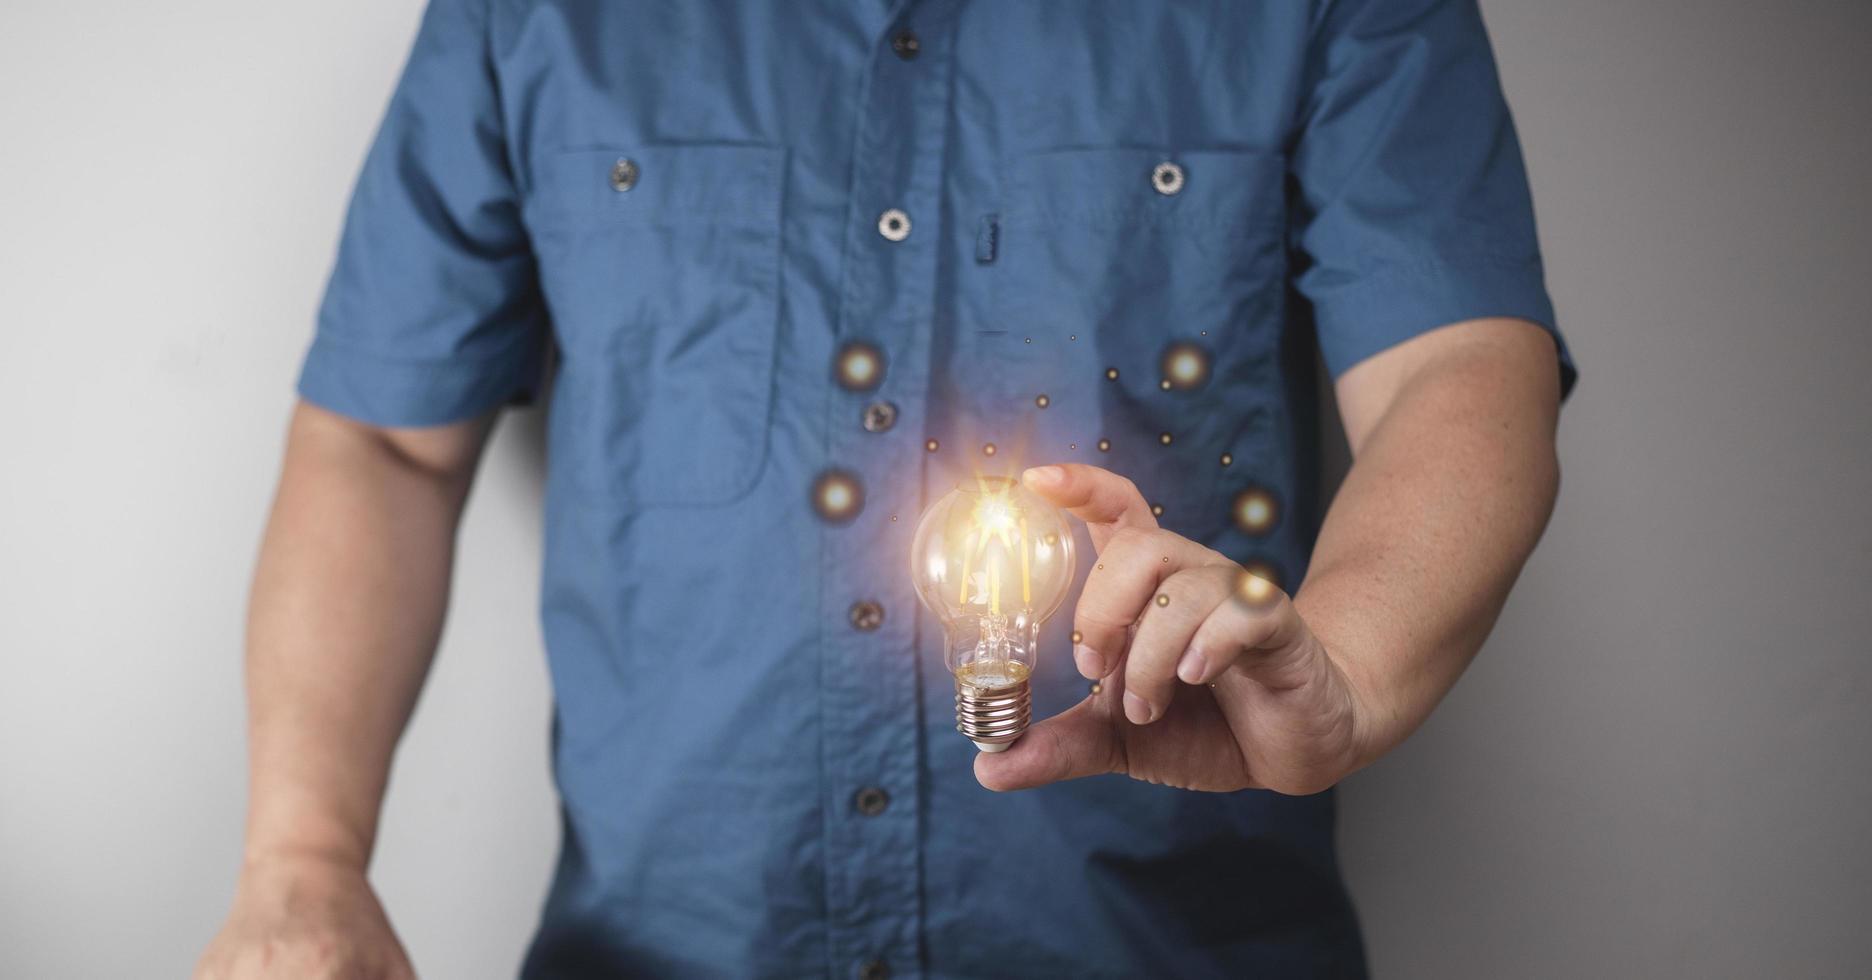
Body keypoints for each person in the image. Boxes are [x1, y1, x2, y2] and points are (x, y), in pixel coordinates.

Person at [195, 0, 1575, 976]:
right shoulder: (535, 14)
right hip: (659, 953)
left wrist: (1349, 667)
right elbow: (380, 438)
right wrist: (303, 858)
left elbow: (1457, 371)